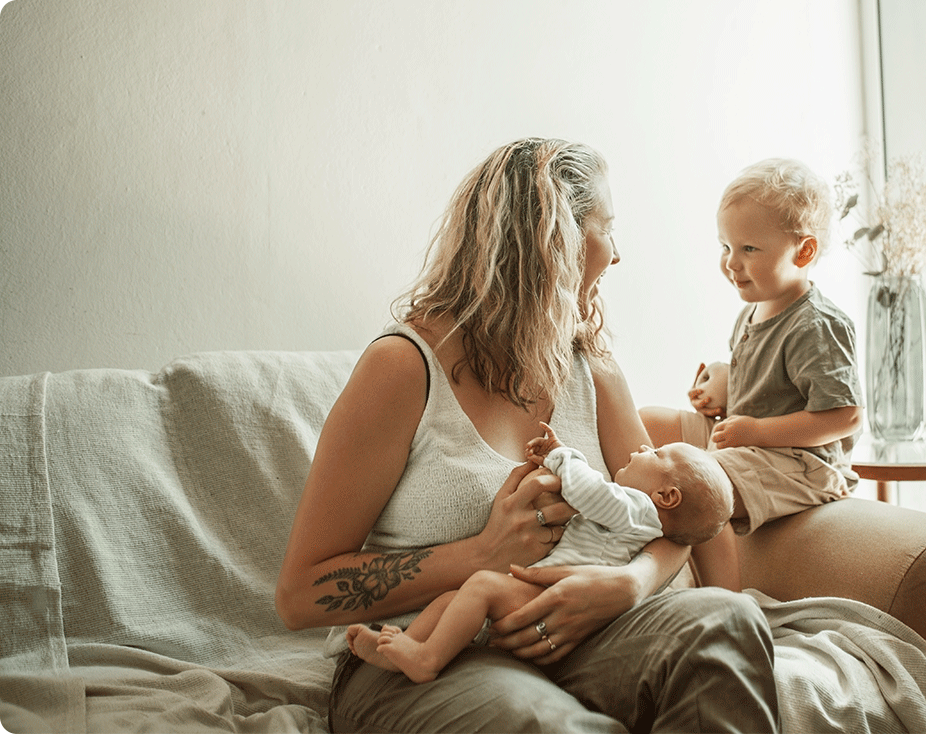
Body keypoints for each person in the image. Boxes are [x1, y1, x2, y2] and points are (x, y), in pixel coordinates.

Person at [274, 138, 778, 733]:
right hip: (429, 653)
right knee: (546, 725)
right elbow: (301, 594)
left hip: (585, 638)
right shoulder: (404, 368)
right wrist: (482, 555)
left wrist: (628, 583)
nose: (616, 256)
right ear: (554, 242)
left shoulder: (592, 362)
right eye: (606, 229)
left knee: (730, 621)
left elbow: (674, 516)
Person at [344, 422, 734, 684]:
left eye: (659, 453)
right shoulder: (643, 516)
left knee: (479, 586)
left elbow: (588, 492)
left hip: (550, 601)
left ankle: (427, 660)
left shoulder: (638, 509)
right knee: (453, 599)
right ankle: (411, 647)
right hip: (548, 598)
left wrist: (562, 454)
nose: (646, 446)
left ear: (666, 497)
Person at [640, 158, 864, 592]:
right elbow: (767, 382)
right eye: (726, 247)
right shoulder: (752, 312)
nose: (731, 263)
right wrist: (722, 385)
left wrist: (757, 430)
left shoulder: (815, 325)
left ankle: (724, 597)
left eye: (749, 250)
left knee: (702, 479)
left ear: (804, 252)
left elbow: (844, 416)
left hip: (803, 462)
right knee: (647, 421)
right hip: (746, 438)